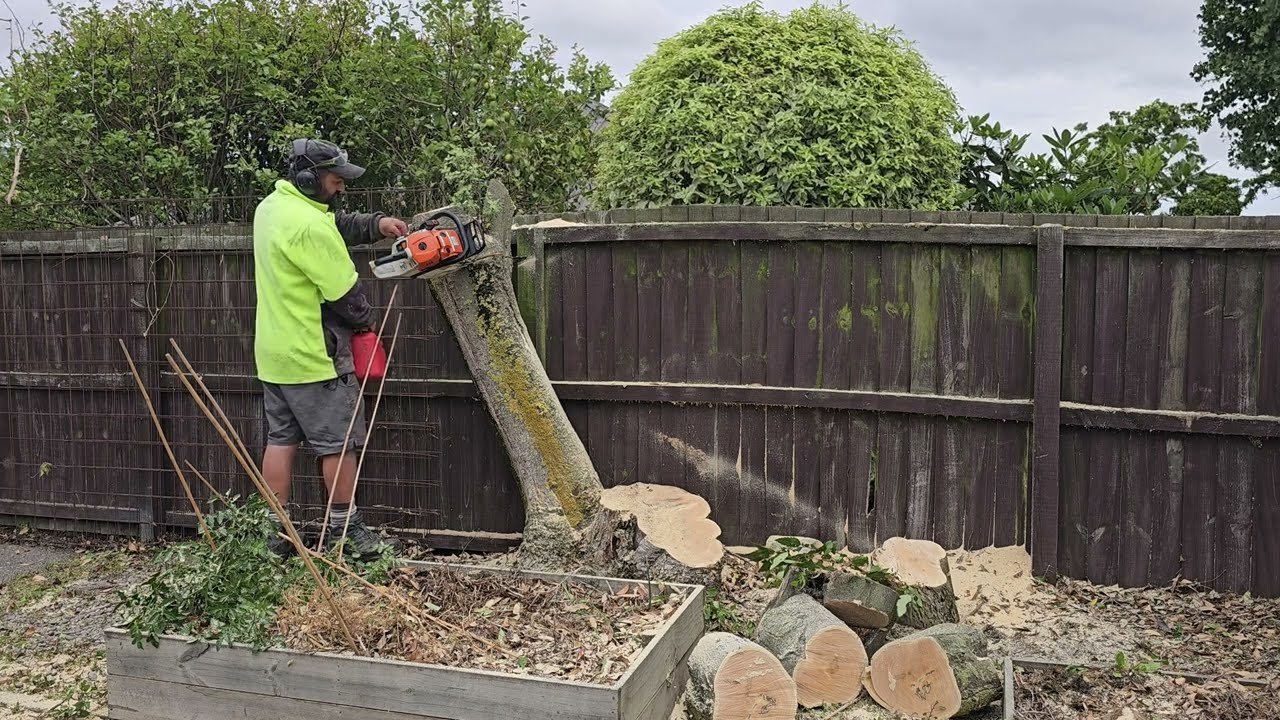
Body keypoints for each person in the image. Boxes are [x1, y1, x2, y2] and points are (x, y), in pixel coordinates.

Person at [251, 138, 408, 558]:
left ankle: (275, 533)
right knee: (339, 443)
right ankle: (346, 532)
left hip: (274, 354)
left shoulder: (271, 208)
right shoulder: (310, 227)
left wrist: (376, 224)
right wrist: (366, 323)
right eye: (335, 180)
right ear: (309, 178)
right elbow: (346, 295)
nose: (341, 187)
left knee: (280, 440)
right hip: (315, 356)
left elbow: (333, 222)